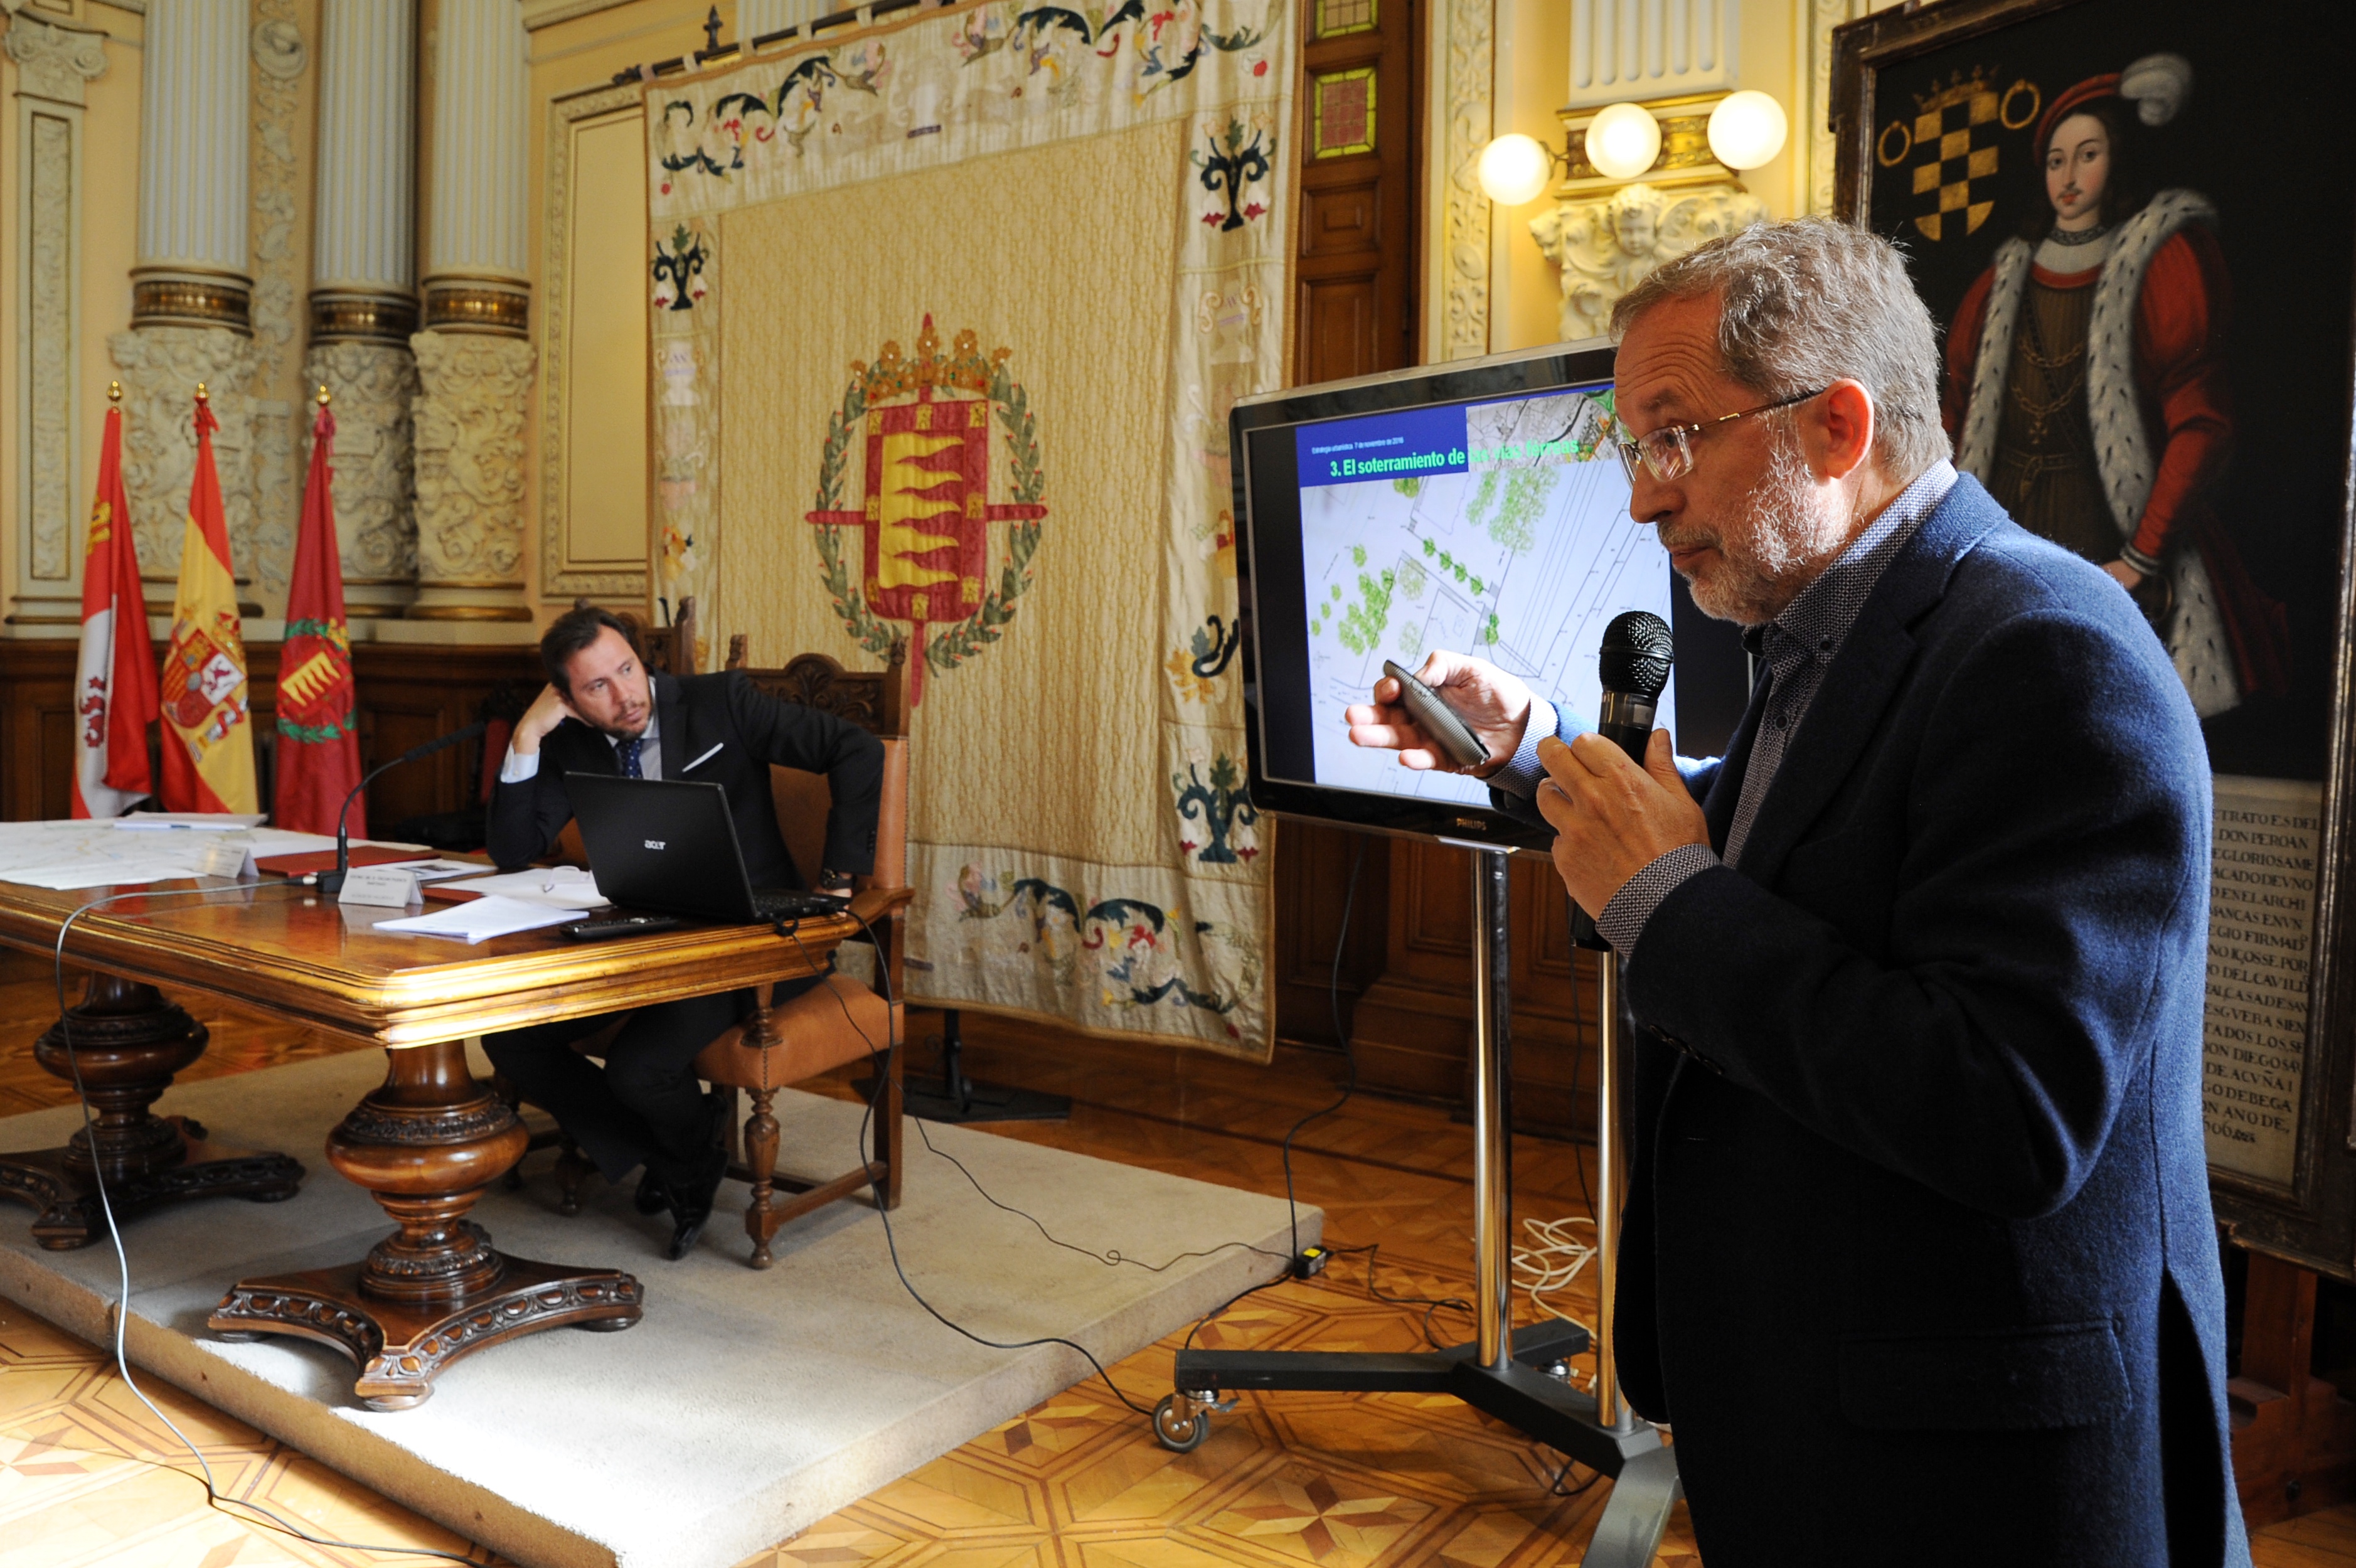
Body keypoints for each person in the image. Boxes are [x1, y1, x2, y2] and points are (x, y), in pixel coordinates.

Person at [1345, 219, 2246, 1565]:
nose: (1643, 500)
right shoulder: (1836, 614)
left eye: (1673, 437)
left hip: (1974, 1473)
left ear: (1836, 426)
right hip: (1829, 1408)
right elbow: (1798, 837)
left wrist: (1670, 902)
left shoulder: (2051, 649)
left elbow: (2010, 1106)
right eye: (1632, 449)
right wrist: (1532, 747)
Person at [484, 606, 884, 1259]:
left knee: (639, 1069)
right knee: (509, 1035)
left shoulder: (721, 702)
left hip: (755, 941)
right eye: (597, 687)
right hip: (645, 938)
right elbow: (511, 848)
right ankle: (680, 1154)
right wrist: (527, 736)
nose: (624, 695)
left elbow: (856, 749)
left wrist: (839, 878)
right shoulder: (571, 739)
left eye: (626, 669)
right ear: (567, 699)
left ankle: (676, 1155)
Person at [1943, 51, 2286, 718]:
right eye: (2055, 161)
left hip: (2109, 532)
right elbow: (1952, 418)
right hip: (2009, 524)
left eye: (2088, 155)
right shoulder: (2000, 282)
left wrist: (2141, 555)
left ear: (2117, 160)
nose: (2068, 178)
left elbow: (2202, 426)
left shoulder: (2161, 259)